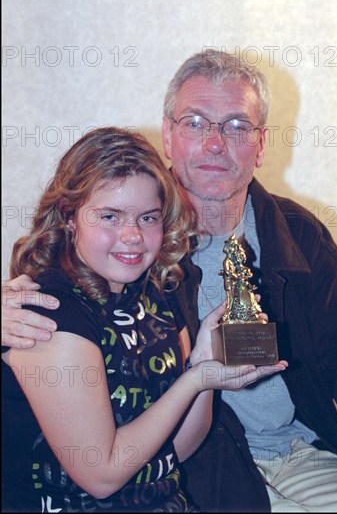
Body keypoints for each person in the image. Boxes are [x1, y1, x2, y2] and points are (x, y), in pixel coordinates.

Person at [2, 51, 337, 512]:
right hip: (194, 472)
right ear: (168, 136)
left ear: (261, 143)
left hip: (298, 452)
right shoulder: (128, 253)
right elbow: (52, 299)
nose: (214, 143)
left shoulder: (299, 233)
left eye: (236, 126)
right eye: (195, 122)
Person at [1, 126, 288, 512]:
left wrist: (205, 371)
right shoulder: (46, 312)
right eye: (110, 216)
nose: (132, 235)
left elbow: (177, 451)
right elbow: (100, 475)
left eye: (148, 218)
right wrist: (193, 381)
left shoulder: (155, 295)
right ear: (70, 217)